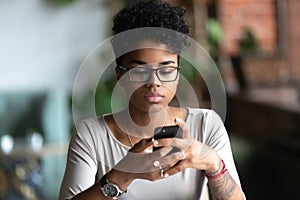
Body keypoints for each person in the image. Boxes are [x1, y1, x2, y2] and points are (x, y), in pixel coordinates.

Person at [59, 0, 245, 199]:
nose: (154, 82)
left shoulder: (206, 125)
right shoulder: (92, 135)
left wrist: (213, 164)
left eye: (166, 70)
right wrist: (123, 174)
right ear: (119, 75)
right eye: (139, 70)